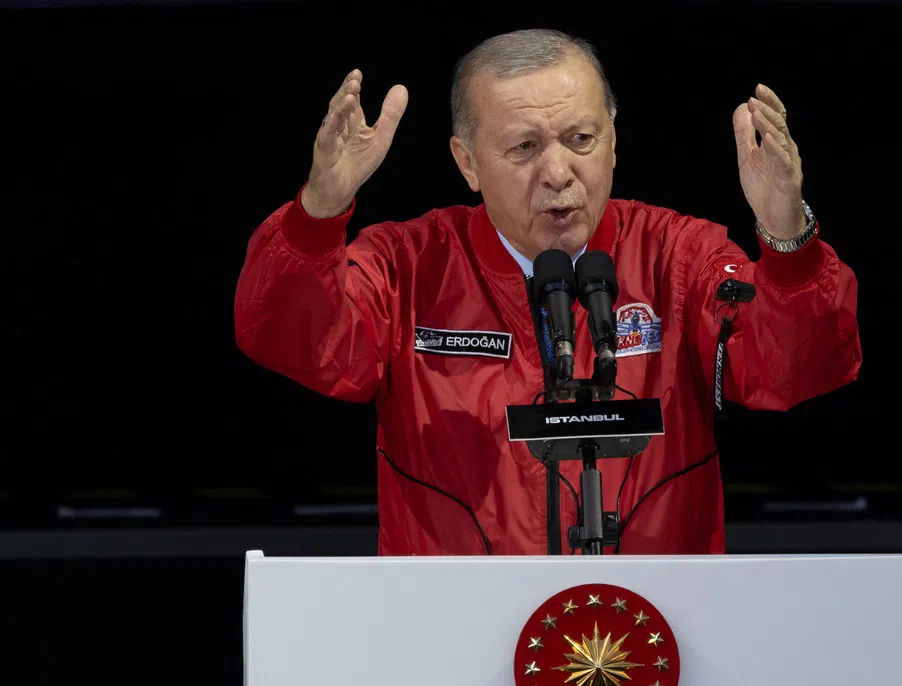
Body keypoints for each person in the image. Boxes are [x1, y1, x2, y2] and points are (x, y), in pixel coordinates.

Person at [234, 29, 861, 556]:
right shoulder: (409, 265)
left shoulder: (679, 255)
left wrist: (786, 237)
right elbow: (294, 340)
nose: (559, 173)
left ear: (614, 138)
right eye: (525, 148)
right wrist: (318, 216)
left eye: (581, 140)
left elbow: (791, 370)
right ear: (468, 163)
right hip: (455, 644)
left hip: (652, 643)